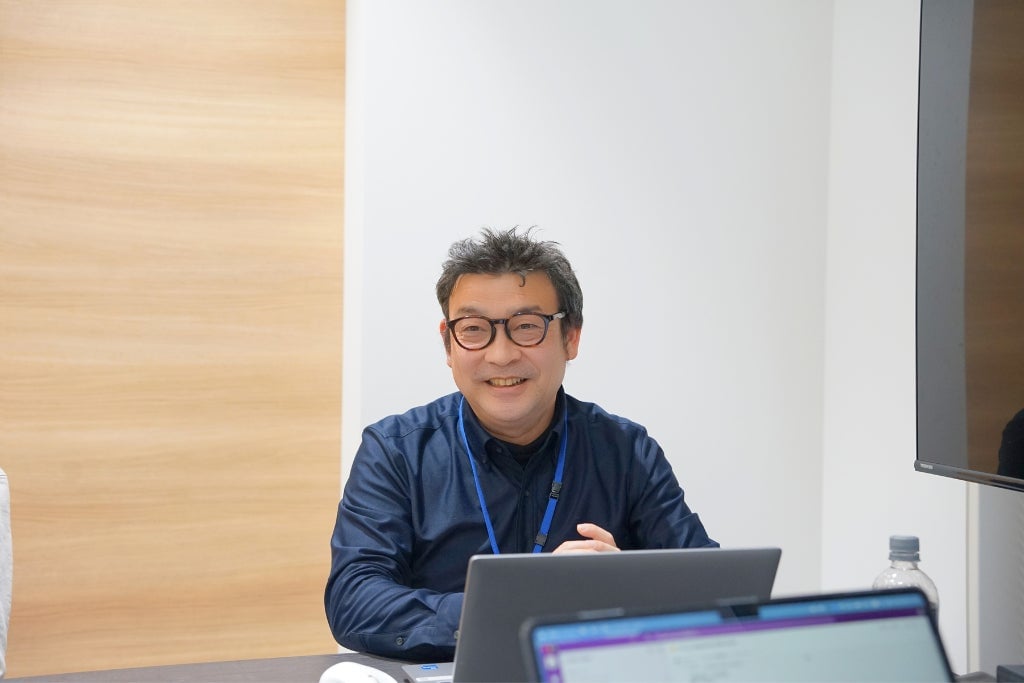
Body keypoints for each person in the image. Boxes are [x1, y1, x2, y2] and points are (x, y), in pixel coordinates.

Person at [325, 227, 716, 661]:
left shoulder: (626, 451)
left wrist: (624, 585)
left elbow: (715, 590)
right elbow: (355, 601)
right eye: (474, 329)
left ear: (571, 337)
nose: (501, 355)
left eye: (527, 327)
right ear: (449, 345)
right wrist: (522, 604)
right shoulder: (396, 452)